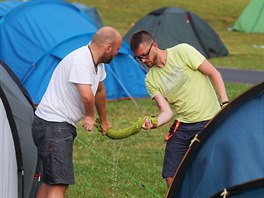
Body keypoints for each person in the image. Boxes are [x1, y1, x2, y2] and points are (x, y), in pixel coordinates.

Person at [130, 30, 229, 188]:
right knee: (171, 176)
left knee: (209, 174)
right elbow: (166, 112)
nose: (143, 60)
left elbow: (213, 73)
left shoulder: (183, 51)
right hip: (182, 126)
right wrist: (154, 123)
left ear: (154, 45)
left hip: (207, 120)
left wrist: (224, 102)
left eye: (145, 55)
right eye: (139, 58)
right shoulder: (151, 79)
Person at [32, 26, 122, 198]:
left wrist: (104, 120)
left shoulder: (97, 63)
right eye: (117, 50)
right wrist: (89, 116)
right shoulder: (81, 60)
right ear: (108, 48)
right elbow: (87, 96)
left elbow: (100, 92)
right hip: (53, 126)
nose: (117, 53)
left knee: (50, 180)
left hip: (51, 125)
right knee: (59, 183)